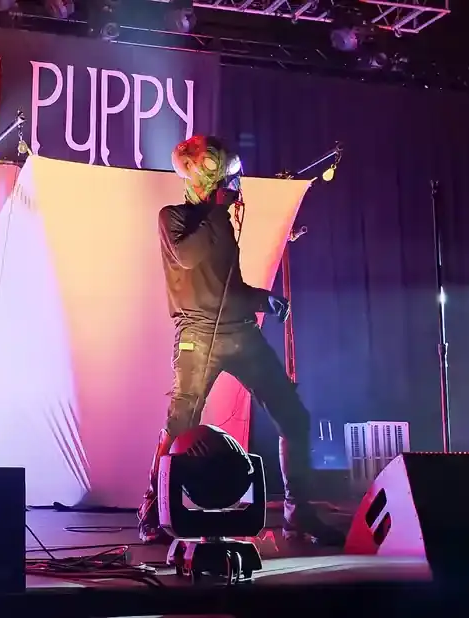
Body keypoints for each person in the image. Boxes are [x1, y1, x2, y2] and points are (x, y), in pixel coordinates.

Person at [138, 136, 344, 547]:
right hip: (197, 335)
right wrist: (217, 211)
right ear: (203, 179)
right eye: (223, 178)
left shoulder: (221, 225)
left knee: (293, 416)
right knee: (181, 423)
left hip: (240, 332)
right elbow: (189, 257)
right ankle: (153, 510)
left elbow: (228, 288)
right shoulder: (174, 218)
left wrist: (262, 299)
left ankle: (299, 512)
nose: (231, 186)